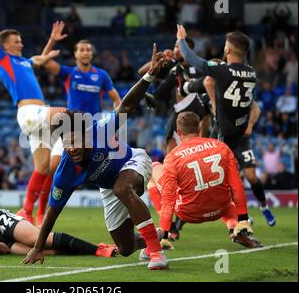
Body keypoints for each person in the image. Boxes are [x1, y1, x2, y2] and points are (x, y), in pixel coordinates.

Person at [23, 44, 169, 271]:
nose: (72, 148)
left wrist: (150, 75)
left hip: (134, 163)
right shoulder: (66, 171)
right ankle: (154, 237)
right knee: (125, 248)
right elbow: (54, 209)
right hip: (108, 186)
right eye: (66, 143)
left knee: (122, 188)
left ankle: (157, 254)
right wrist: (38, 247)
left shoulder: (99, 129)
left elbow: (127, 104)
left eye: (76, 141)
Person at [0, 0, 66, 226]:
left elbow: (41, 59)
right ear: (5, 45)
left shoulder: (25, 61)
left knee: (46, 168)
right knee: (70, 116)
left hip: (39, 117)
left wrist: (52, 39)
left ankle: (34, 214)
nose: (21, 43)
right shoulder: (2, 59)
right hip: (30, 114)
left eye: (21, 41)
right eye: (16, 41)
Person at [176, 24, 277, 227]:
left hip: (231, 135)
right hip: (233, 133)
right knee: (222, 176)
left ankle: (261, 207)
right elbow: (249, 103)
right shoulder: (251, 73)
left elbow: (192, 59)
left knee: (231, 175)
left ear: (228, 50)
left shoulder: (222, 71)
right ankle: (180, 224)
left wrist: (181, 40)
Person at [31, 21, 121, 226]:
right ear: (76, 54)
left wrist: (117, 121)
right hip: (71, 129)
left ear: (91, 54)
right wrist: (52, 40)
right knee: (52, 167)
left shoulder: (101, 75)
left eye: (88, 49)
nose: (85, 52)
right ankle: (40, 214)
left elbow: (116, 98)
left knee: (111, 166)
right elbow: (43, 62)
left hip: (94, 128)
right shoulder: (70, 73)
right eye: (81, 49)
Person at [147, 112, 263, 250]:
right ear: (200, 129)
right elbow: (237, 186)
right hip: (220, 208)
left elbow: (168, 198)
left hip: (188, 212)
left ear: (178, 133)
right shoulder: (221, 147)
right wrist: (243, 219)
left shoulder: (172, 157)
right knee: (225, 197)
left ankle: (170, 230)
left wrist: (164, 234)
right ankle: (234, 227)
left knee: (153, 168)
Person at [0, 181, 117, 258]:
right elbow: (3, 250)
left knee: (38, 239)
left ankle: (99, 250)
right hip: (0, 239)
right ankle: (24, 219)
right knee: (46, 252)